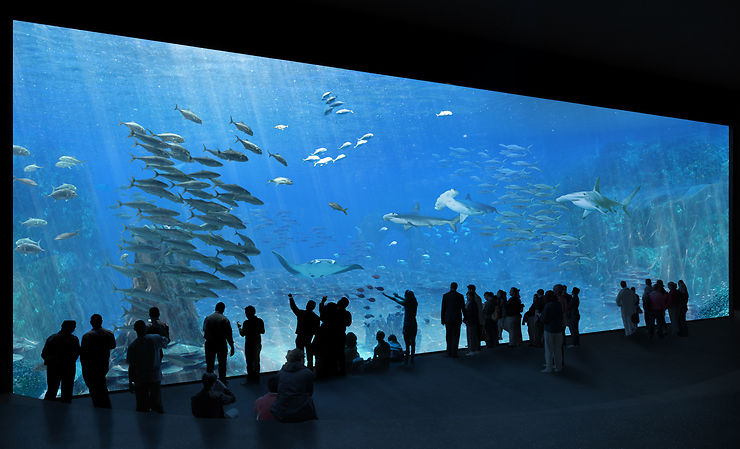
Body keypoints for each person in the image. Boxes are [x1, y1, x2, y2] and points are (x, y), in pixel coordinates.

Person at [126, 320, 169, 413]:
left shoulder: (133, 346)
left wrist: (130, 383)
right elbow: (166, 341)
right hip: (155, 376)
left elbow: (131, 366)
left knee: (142, 404)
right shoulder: (155, 338)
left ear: (134, 330)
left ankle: (144, 424)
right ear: (146, 328)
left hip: (140, 378)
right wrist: (164, 329)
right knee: (157, 401)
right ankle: (160, 419)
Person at [271, 349, 318, 422]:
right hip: (302, 412)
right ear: (302, 359)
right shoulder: (308, 373)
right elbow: (309, 393)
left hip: (282, 412)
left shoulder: (280, 373)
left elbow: (277, 390)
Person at [80, 314, 116, 408]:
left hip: (91, 367)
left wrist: (84, 368)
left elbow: (83, 354)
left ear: (91, 322)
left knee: (94, 389)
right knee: (102, 385)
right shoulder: (109, 333)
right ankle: (106, 406)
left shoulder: (86, 336)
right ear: (101, 321)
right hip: (104, 365)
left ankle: (98, 407)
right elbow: (113, 346)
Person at [41, 320, 80, 403]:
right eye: (74, 326)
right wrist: (70, 361)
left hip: (53, 369)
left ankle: (47, 410)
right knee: (67, 391)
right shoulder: (74, 339)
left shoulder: (52, 338)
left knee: (51, 390)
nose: (75, 328)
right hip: (69, 368)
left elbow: (44, 354)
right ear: (72, 328)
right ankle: (65, 410)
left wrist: (51, 362)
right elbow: (77, 353)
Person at [381, 290, 418, 364]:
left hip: (407, 325)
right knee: (413, 341)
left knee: (407, 343)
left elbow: (395, 300)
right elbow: (406, 300)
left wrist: (386, 295)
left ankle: (406, 359)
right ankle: (412, 358)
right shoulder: (414, 302)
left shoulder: (406, 303)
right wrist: (398, 296)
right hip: (414, 324)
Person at [203, 302, 235, 382]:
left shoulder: (207, 318)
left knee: (210, 364)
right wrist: (232, 346)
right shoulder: (225, 319)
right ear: (223, 309)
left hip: (209, 344)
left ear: (215, 308)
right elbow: (229, 335)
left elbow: (204, 330)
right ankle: (222, 381)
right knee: (222, 364)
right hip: (221, 344)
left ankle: (209, 382)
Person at [288, 294, 320, 369]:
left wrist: (291, 298)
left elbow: (293, 307)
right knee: (310, 355)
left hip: (300, 337)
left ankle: (300, 369)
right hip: (309, 339)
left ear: (307, 306)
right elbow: (317, 331)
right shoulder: (316, 317)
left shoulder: (301, 313)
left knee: (299, 355)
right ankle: (310, 369)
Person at [237, 305, 265, 383]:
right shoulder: (260, 321)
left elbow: (242, 334)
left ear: (248, 313)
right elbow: (263, 331)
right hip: (257, 344)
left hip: (249, 345)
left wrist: (239, 327)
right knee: (256, 360)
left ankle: (250, 379)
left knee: (249, 362)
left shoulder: (246, 323)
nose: (245, 314)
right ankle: (257, 378)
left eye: (246, 313)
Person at [540, 291, 564, 373]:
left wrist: (540, 316)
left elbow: (544, 319)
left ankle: (549, 367)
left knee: (549, 350)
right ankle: (558, 367)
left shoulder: (548, 305)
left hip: (549, 330)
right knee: (558, 349)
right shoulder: (559, 304)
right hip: (559, 330)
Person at [441, 282, 466, 357]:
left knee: (448, 335)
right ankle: (454, 352)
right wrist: (465, 317)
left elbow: (443, 309)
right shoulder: (460, 296)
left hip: (448, 319)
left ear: (450, 287)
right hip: (457, 319)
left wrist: (442, 319)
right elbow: (463, 308)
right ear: (456, 287)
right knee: (456, 335)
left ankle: (448, 351)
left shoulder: (445, 296)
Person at [335, 297, 353, 376]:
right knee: (341, 353)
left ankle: (334, 369)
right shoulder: (347, 313)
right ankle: (342, 371)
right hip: (342, 334)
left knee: (333, 352)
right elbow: (348, 324)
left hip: (333, 334)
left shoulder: (334, 311)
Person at [465, 284, 482, 354]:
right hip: (476, 319)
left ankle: (472, 348)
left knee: (472, 335)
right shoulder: (477, 298)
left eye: (468, 289)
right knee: (475, 335)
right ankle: (475, 348)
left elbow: (476, 311)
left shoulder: (474, 299)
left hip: (473, 320)